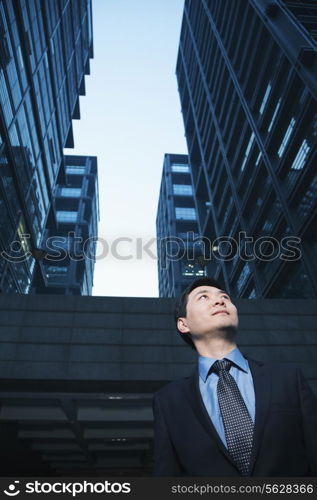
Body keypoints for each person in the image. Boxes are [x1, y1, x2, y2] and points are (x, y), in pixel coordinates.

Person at [153, 277, 317, 476]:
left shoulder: (288, 379)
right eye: (203, 297)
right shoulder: (168, 401)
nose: (220, 301)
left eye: (225, 297)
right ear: (183, 324)